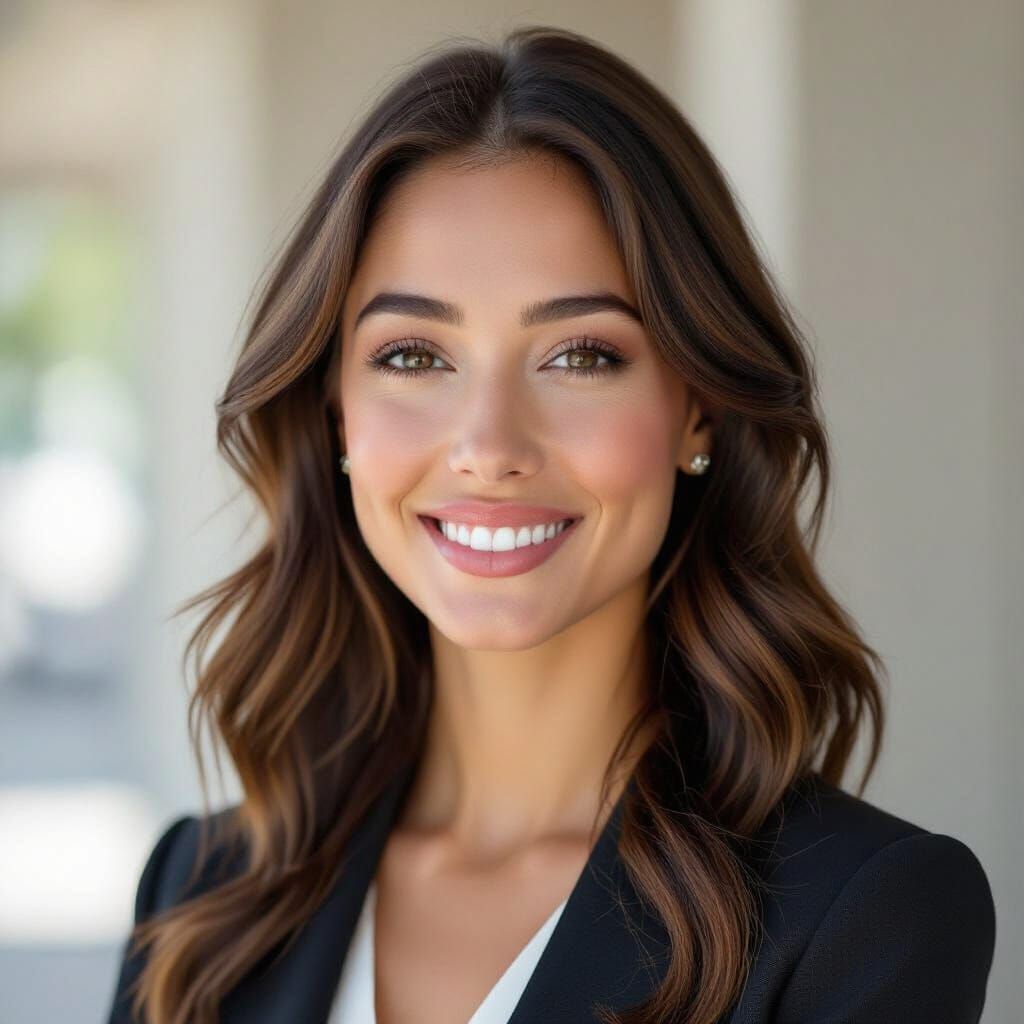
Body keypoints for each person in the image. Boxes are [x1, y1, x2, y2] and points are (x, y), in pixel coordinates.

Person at [106, 24, 996, 1024]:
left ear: (694, 407)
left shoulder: (863, 915)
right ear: (335, 411)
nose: (488, 444)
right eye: (412, 356)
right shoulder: (201, 893)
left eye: (578, 355)